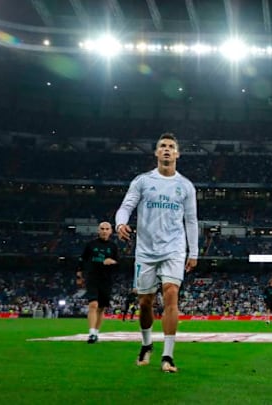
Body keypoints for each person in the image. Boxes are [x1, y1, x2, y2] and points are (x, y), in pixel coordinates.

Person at [115, 132, 199, 373]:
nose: (166, 149)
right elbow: (126, 207)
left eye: (171, 146)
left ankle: (168, 355)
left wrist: (193, 252)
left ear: (177, 153)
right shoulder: (142, 181)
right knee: (145, 302)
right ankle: (146, 344)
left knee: (171, 293)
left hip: (173, 248)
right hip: (145, 250)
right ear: (155, 152)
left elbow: (191, 220)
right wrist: (121, 224)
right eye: (162, 146)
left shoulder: (185, 186)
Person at [78, 221, 119, 344]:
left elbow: (118, 263)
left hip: (106, 280)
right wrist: (79, 273)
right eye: (102, 228)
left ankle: (96, 332)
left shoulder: (113, 247)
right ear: (98, 230)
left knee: (101, 308)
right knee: (93, 305)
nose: (104, 231)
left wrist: (112, 262)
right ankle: (91, 333)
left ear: (111, 231)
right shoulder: (90, 245)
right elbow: (82, 259)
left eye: (107, 229)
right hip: (93, 278)